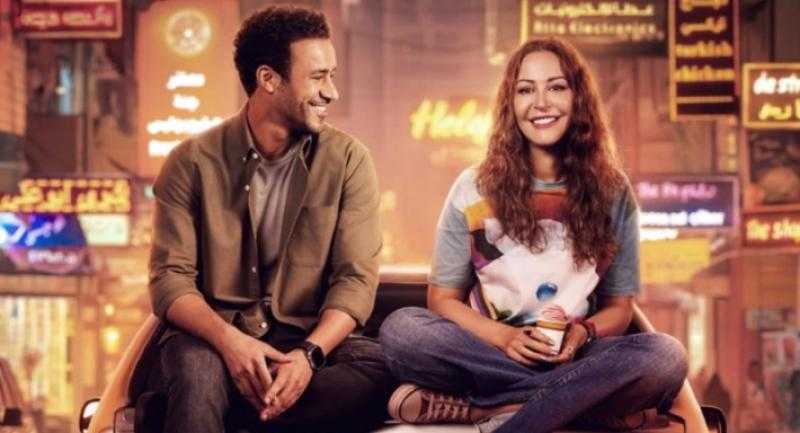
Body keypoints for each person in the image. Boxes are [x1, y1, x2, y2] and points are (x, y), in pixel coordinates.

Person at [379, 37, 688, 433]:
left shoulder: (613, 192)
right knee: (401, 331)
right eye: (526, 90)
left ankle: (489, 410)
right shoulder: (472, 187)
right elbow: (441, 300)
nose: (541, 103)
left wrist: (583, 334)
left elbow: (620, 308)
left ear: (578, 99)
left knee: (664, 356)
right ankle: (567, 405)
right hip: (489, 352)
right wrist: (505, 338)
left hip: (578, 358)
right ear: (511, 104)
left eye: (556, 87)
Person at [149, 5, 392, 433]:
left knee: (378, 370)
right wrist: (231, 344)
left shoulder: (348, 161)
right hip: (212, 338)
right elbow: (170, 281)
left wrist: (308, 356)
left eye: (332, 75)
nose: (332, 92)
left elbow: (355, 280)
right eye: (318, 77)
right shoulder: (190, 162)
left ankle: (214, 414)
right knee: (198, 376)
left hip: (308, 342)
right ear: (268, 79)